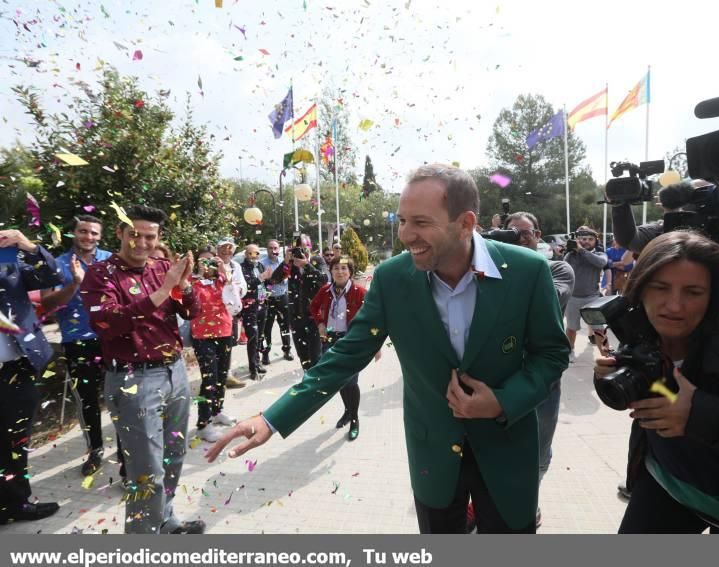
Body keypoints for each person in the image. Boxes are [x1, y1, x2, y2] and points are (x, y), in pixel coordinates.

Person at [207, 164, 570, 534]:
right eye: (402, 220)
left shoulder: (528, 272)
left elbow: (553, 355)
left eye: (421, 222)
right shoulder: (393, 279)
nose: (406, 235)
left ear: (465, 223)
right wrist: (272, 418)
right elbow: (346, 355)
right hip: (434, 458)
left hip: (509, 453)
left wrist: (502, 401)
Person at [594, 231, 719, 533]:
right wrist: (620, 382)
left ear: (714, 295)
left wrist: (700, 416)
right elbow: (666, 394)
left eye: (693, 292)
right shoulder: (640, 331)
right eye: (660, 288)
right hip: (664, 485)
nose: (674, 306)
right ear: (639, 289)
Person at [82, 205, 204, 534]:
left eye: (150, 236)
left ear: (158, 238)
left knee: (173, 456)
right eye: (134, 234)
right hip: (133, 379)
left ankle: (165, 519)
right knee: (146, 470)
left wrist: (185, 285)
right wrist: (163, 289)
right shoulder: (101, 274)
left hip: (174, 373)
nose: (142, 242)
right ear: (120, 233)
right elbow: (106, 323)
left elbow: (192, 311)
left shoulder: (162, 267)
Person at [504, 211, 574, 528]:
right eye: (510, 234)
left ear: (538, 234)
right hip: (500, 374)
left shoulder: (558, 269)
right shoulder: (487, 271)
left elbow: (550, 299)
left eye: (525, 233)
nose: (519, 238)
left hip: (542, 378)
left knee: (539, 447)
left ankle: (528, 502)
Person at [39, 215, 113, 477]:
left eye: (94, 233)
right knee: (88, 399)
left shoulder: (111, 259)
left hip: (112, 338)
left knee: (121, 394)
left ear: (100, 236)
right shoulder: (56, 264)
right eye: (83, 232)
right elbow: (48, 306)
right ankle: (95, 449)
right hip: (77, 341)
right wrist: (75, 283)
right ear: (74, 234)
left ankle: (127, 444)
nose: (88, 237)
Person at [0, 229, 62, 525]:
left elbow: (51, 276)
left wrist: (27, 245)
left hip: (15, 368)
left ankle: (15, 504)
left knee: (15, 439)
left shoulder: (8, 262)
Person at [309, 256, 381, 441]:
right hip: (330, 341)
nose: (340, 272)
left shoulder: (360, 292)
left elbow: (375, 318)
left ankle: (355, 418)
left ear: (350, 272)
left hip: (352, 341)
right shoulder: (325, 290)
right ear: (330, 271)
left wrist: (375, 345)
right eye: (336, 268)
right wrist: (320, 324)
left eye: (344, 268)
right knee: (339, 380)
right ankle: (348, 411)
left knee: (351, 381)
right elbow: (314, 306)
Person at [191, 248, 236, 443]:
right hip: (202, 336)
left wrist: (224, 271)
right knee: (209, 379)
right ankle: (203, 424)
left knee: (222, 376)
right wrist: (200, 276)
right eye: (203, 261)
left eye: (211, 261)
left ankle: (217, 411)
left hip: (224, 331)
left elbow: (234, 297)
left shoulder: (222, 280)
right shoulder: (192, 282)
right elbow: (189, 302)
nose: (207, 264)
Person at [268, 243, 326, 371]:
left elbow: (324, 280)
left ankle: (316, 386)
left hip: (314, 318)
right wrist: (286, 262)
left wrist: (306, 265)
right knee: (303, 356)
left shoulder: (317, 261)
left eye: (304, 248)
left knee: (316, 356)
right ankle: (307, 383)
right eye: (298, 249)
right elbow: (274, 280)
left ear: (309, 248)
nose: (301, 252)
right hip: (296, 317)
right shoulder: (291, 265)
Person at [563, 226, 608, 363]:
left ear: (595, 241)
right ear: (577, 240)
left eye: (590, 239)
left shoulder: (600, 255)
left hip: (592, 298)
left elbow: (601, 263)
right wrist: (569, 251)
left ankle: (606, 354)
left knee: (599, 329)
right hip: (573, 297)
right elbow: (564, 267)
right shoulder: (570, 255)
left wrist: (581, 251)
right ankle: (570, 350)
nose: (586, 241)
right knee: (571, 328)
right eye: (583, 239)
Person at [216, 238, 246, 389]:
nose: (227, 251)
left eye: (230, 248)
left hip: (230, 311)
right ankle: (215, 374)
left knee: (229, 343)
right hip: (212, 312)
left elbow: (242, 285)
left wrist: (236, 290)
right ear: (218, 249)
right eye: (223, 248)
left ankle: (226, 374)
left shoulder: (236, 266)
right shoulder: (211, 264)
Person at [259, 239, 293, 365]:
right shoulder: (262, 264)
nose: (273, 251)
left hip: (283, 297)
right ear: (267, 249)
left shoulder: (284, 262)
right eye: (270, 248)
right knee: (266, 328)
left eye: (275, 248)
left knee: (285, 325)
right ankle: (266, 353)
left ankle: (287, 350)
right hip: (269, 299)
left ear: (279, 249)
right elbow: (262, 283)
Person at [240, 244, 270, 380]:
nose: (254, 256)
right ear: (246, 254)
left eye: (256, 253)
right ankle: (253, 368)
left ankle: (257, 363)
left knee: (259, 336)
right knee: (252, 337)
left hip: (262, 305)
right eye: (251, 253)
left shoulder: (260, 266)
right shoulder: (241, 268)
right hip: (249, 307)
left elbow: (266, 283)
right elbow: (246, 286)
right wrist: (260, 278)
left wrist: (267, 290)